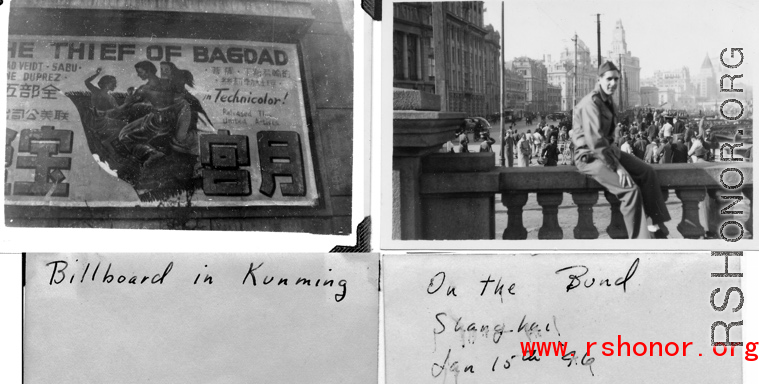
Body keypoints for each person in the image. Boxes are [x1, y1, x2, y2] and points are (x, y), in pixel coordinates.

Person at [570, 61, 671, 239]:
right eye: (609, 79)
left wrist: (615, 156)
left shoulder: (608, 102)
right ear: (599, 79)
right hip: (589, 156)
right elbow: (595, 142)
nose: (613, 83)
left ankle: (656, 223)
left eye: (616, 79)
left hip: (606, 151)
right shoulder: (590, 104)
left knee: (647, 172)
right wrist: (617, 167)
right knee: (630, 190)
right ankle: (640, 240)